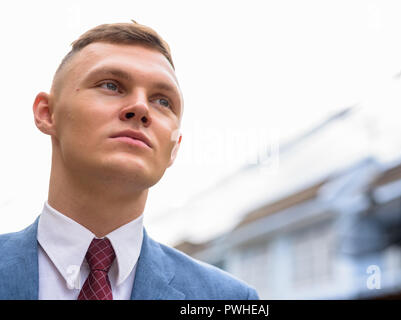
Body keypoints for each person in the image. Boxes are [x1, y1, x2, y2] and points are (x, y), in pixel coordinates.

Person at [0, 22, 259, 300]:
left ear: (174, 148)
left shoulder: (230, 299)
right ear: (47, 113)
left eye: (162, 101)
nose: (141, 108)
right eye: (111, 85)